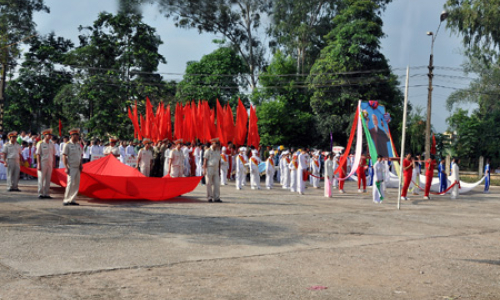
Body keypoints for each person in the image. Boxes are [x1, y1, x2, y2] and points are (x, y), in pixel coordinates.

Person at [62, 129, 83, 206]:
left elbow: (80, 156)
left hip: (77, 167)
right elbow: (64, 156)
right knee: (70, 184)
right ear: (72, 135)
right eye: (76, 135)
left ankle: (73, 199)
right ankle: (66, 199)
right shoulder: (67, 144)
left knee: (76, 184)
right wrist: (66, 167)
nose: (78, 136)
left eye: (78, 135)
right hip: (71, 167)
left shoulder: (78, 145)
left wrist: (81, 165)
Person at [36, 128, 55, 199]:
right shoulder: (40, 143)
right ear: (44, 135)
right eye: (48, 134)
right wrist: (38, 164)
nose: (50, 136)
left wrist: (54, 163)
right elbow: (38, 154)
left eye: (50, 135)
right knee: (41, 178)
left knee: (48, 179)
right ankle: (40, 193)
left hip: (50, 163)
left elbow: (53, 154)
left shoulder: (51, 144)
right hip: (42, 162)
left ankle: (47, 193)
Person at [203, 138, 221, 202]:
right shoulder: (208, 150)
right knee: (209, 183)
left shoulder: (218, 151)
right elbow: (205, 161)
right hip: (209, 168)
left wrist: (219, 170)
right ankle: (209, 197)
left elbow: (219, 161)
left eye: (218, 144)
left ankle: (216, 197)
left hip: (216, 169)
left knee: (217, 183)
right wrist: (204, 170)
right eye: (216, 143)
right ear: (212, 143)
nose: (217, 145)